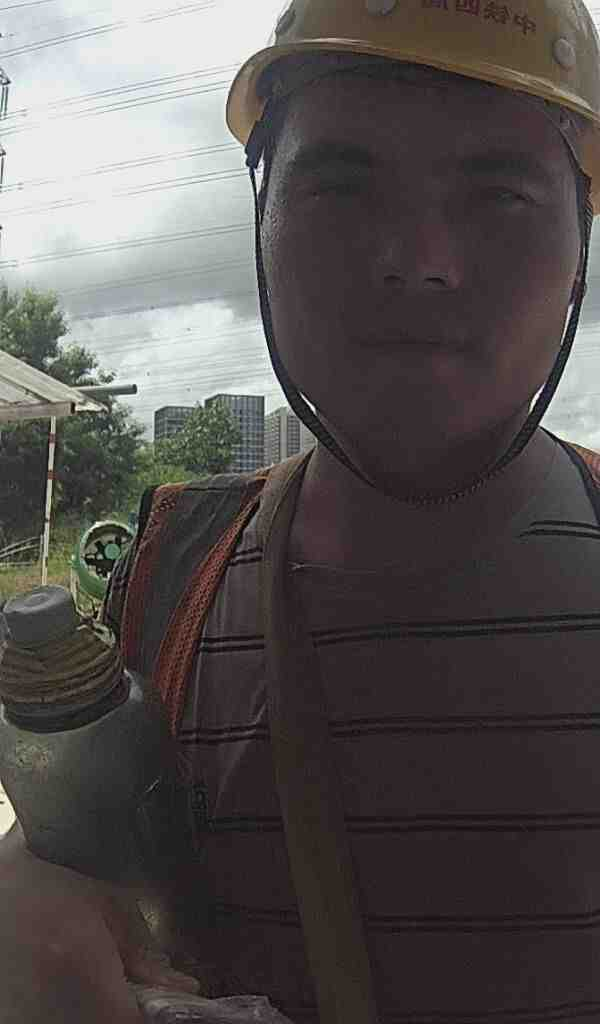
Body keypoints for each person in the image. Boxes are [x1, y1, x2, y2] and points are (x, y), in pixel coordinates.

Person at [3, 0, 600, 1020]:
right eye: (343, 186)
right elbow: (93, 850)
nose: (419, 257)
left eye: (498, 194)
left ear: (580, 240)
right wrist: (31, 894)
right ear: (263, 212)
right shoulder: (172, 571)